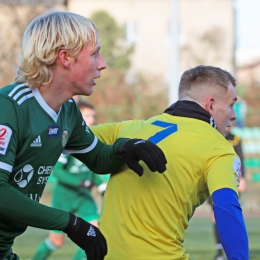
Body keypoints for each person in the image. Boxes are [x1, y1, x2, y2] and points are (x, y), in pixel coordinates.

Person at [0, 10, 167, 260]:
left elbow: (98, 158)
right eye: (94, 54)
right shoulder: (9, 106)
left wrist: (123, 148)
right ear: (65, 58)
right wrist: (70, 223)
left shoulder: (68, 111)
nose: (102, 64)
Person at [90, 65, 249, 260]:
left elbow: (65, 137)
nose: (233, 115)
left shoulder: (128, 129)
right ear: (211, 105)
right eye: (231, 104)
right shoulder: (219, 148)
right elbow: (226, 207)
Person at [32, 101, 108, 260]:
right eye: (87, 116)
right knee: (56, 241)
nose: (92, 120)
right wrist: (79, 182)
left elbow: (93, 166)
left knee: (95, 232)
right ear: (77, 117)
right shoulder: (68, 138)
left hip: (83, 197)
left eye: (93, 116)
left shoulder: (93, 138)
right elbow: (57, 171)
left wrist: (101, 185)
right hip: (64, 197)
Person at [209, 123, 246, 260]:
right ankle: (219, 251)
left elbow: (241, 159)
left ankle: (236, 253)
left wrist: (243, 178)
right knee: (215, 215)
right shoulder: (212, 136)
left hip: (232, 180)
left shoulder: (235, 138)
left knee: (232, 212)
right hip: (213, 180)